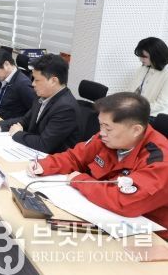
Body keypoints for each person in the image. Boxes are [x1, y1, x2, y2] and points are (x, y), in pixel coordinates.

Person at [28, 92, 168, 240]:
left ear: (136, 130)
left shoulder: (160, 161)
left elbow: (125, 201)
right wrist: (44, 165)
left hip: (149, 235)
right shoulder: (108, 138)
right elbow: (75, 157)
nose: (101, 133)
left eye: (108, 128)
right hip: (105, 215)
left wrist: (80, 180)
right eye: (101, 125)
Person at [0, 54, 81, 153]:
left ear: (53, 81)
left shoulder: (66, 108)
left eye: (37, 80)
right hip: (31, 151)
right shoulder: (43, 96)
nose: (33, 83)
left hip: (48, 158)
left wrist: (17, 134)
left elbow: (44, 144)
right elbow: (25, 120)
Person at [126, 37, 168, 117]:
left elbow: (162, 104)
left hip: (154, 116)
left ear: (157, 55)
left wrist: (136, 109)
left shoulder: (166, 73)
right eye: (140, 56)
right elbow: (130, 90)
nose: (140, 59)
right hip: (137, 112)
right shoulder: (143, 68)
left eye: (144, 57)